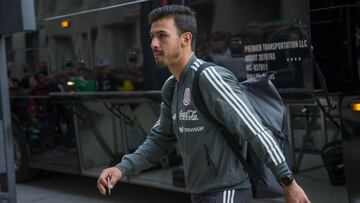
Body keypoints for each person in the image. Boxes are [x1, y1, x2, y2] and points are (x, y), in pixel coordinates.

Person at [97, 5, 310, 203]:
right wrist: (122, 168)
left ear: (186, 39)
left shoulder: (210, 78)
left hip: (228, 191)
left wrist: (287, 181)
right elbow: (159, 141)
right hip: (199, 193)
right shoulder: (172, 86)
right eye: (152, 36)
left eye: (162, 36)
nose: (153, 44)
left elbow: (255, 130)